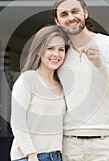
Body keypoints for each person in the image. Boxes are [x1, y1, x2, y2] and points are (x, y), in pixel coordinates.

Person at [52, 0, 109, 160]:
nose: (71, 17)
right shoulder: (60, 53)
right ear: (57, 21)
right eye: (64, 14)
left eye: (75, 11)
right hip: (69, 141)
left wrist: (100, 65)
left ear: (85, 13)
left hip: (105, 141)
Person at [10, 25, 69, 161]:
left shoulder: (62, 85)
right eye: (50, 48)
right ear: (39, 51)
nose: (56, 54)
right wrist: (31, 155)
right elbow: (18, 122)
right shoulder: (28, 79)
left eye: (61, 49)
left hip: (56, 156)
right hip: (29, 156)